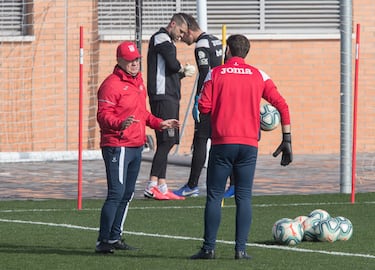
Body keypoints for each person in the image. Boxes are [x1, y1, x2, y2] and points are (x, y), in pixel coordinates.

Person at [190, 34, 292, 260]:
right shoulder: (259, 75)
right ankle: (241, 250)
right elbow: (282, 105)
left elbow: (204, 107)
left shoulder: (215, 73)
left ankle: (208, 249)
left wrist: (209, 106)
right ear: (247, 52)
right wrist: (287, 139)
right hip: (248, 145)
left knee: (215, 196)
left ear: (227, 51)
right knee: (244, 197)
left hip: (222, 143)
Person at [95, 41, 179, 254]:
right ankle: (104, 240)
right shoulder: (110, 85)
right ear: (120, 61)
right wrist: (118, 124)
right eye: (130, 60)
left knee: (128, 193)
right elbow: (103, 115)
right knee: (116, 192)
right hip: (117, 144)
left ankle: (115, 236)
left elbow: (141, 113)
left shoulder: (138, 82)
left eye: (137, 60)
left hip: (136, 144)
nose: (135, 63)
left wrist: (160, 123)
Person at [172, 13, 236, 198]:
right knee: (223, 140)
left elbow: (205, 73)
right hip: (223, 97)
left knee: (200, 141)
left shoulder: (201, 45)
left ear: (191, 30)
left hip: (210, 99)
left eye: (184, 35)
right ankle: (233, 184)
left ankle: (192, 185)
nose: (183, 38)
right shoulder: (216, 40)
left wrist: (199, 99)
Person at [144, 13, 196, 200]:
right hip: (163, 97)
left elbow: (169, 70)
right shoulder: (161, 38)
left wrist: (180, 74)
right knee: (167, 140)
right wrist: (181, 68)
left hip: (168, 96)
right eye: (180, 31)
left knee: (166, 141)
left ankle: (162, 185)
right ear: (172, 24)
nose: (181, 36)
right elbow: (173, 65)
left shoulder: (167, 41)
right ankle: (151, 185)